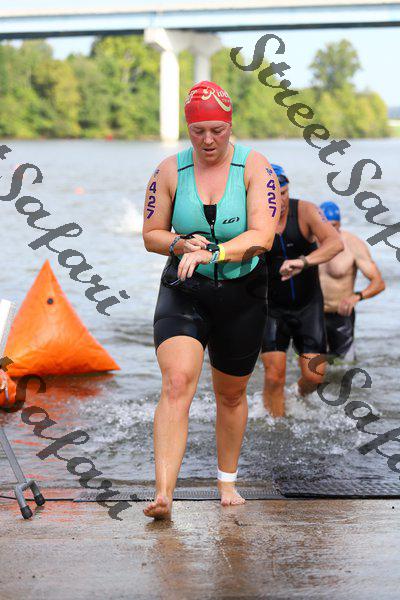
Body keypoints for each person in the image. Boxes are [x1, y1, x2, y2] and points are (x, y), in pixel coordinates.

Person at [142, 81, 280, 519]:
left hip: (243, 293)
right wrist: (180, 244)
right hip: (185, 289)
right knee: (176, 382)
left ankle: (227, 483)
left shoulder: (255, 167)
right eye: (198, 131)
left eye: (216, 130)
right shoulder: (169, 170)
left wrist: (215, 252)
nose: (207, 140)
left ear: (230, 125)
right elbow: (151, 234)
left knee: (231, 395)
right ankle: (164, 494)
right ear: (188, 129)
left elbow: (263, 237)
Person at [260, 165, 343, 418]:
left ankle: (295, 395)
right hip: (271, 309)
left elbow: (335, 243)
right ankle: (275, 425)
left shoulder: (306, 211)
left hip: (308, 307)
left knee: (314, 376)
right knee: (274, 377)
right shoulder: (253, 219)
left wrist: (304, 262)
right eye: (273, 195)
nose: (280, 200)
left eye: (283, 193)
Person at [319, 201, 385, 360]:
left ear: (340, 223)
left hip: (340, 315)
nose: (330, 231)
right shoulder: (308, 243)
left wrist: (356, 297)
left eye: (334, 226)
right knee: (307, 364)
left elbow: (379, 283)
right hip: (312, 314)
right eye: (325, 226)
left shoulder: (353, 244)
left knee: (344, 366)